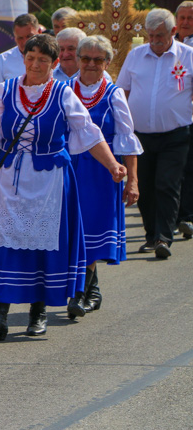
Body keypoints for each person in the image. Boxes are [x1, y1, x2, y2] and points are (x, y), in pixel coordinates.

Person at [0, 34, 126, 339]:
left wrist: (112, 164)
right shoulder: (6, 90)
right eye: (31, 58)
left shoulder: (62, 93)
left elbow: (89, 133)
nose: (35, 64)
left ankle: (38, 313)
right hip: (10, 180)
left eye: (43, 59)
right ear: (23, 59)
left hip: (50, 182)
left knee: (43, 248)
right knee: (4, 243)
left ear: (54, 63)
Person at [68, 35, 142, 313]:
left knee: (92, 230)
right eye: (85, 58)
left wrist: (132, 180)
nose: (90, 64)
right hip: (69, 169)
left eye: (97, 60)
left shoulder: (113, 94)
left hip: (102, 173)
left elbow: (126, 139)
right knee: (74, 231)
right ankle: (89, 290)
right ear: (77, 59)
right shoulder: (63, 89)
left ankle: (81, 294)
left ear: (108, 62)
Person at [117, 8, 193, 258]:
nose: (154, 40)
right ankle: (151, 234)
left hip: (176, 134)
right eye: (150, 35)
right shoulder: (136, 55)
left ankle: (164, 237)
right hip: (140, 136)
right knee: (146, 186)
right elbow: (122, 93)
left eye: (159, 35)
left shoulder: (188, 56)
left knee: (167, 184)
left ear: (173, 32)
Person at [173, 1, 193, 234]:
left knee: (189, 167)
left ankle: (186, 215)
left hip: (190, 116)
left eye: (191, 18)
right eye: (182, 18)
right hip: (172, 118)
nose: (186, 22)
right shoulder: (166, 46)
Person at [0, 14, 40, 93]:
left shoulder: (51, 56)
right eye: (20, 38)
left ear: (39, 32)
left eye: (29, 36)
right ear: (15, 38)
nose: (25, 42)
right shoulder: (2, 61)